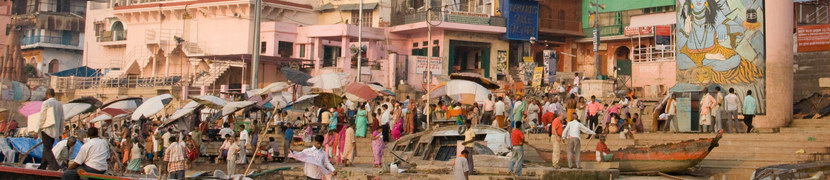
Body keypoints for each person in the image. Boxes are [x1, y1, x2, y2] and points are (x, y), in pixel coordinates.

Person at [37, 89, 64, 171]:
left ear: (47, 94)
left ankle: (54, 166)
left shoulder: (46, 103)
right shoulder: (59, 104)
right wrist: (60, 131)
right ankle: (42, 166)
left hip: (46, 129)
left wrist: (38, 128)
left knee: (47, 149)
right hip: (55, 130)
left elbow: (42, 116)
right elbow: (62, 118)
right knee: (47, 148)